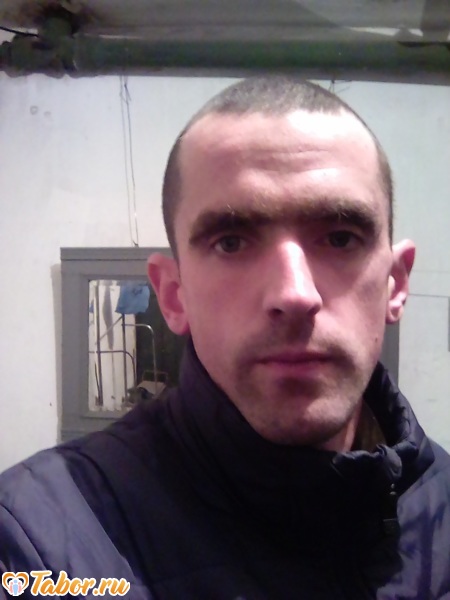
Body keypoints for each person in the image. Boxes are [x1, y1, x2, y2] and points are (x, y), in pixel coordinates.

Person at [1, 77, 450, 599]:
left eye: (339, 237)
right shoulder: (34, 543)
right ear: (174, 296)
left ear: (395, 284)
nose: (294, 294)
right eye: (231, 242)